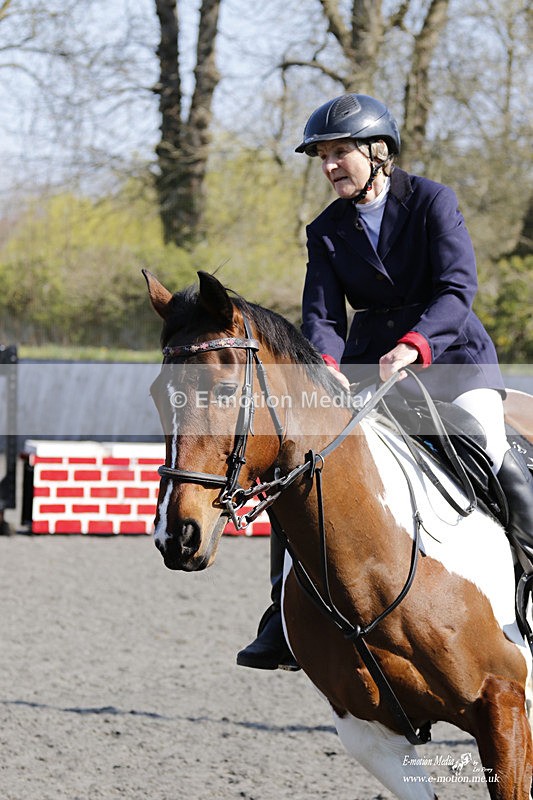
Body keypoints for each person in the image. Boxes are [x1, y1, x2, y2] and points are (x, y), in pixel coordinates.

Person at [236, 93, 533, 671]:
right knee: (307, 469)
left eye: (338, 153)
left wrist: (413, 344)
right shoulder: (324, 229)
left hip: (451, 359)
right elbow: (322, 314)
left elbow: (456, 289)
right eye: (321, 156)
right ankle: (280, 609)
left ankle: (532, 563)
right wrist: (325, 366)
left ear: (378, 153)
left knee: (494, 447)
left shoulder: (431, 201)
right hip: (371, 370)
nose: (328, 166)